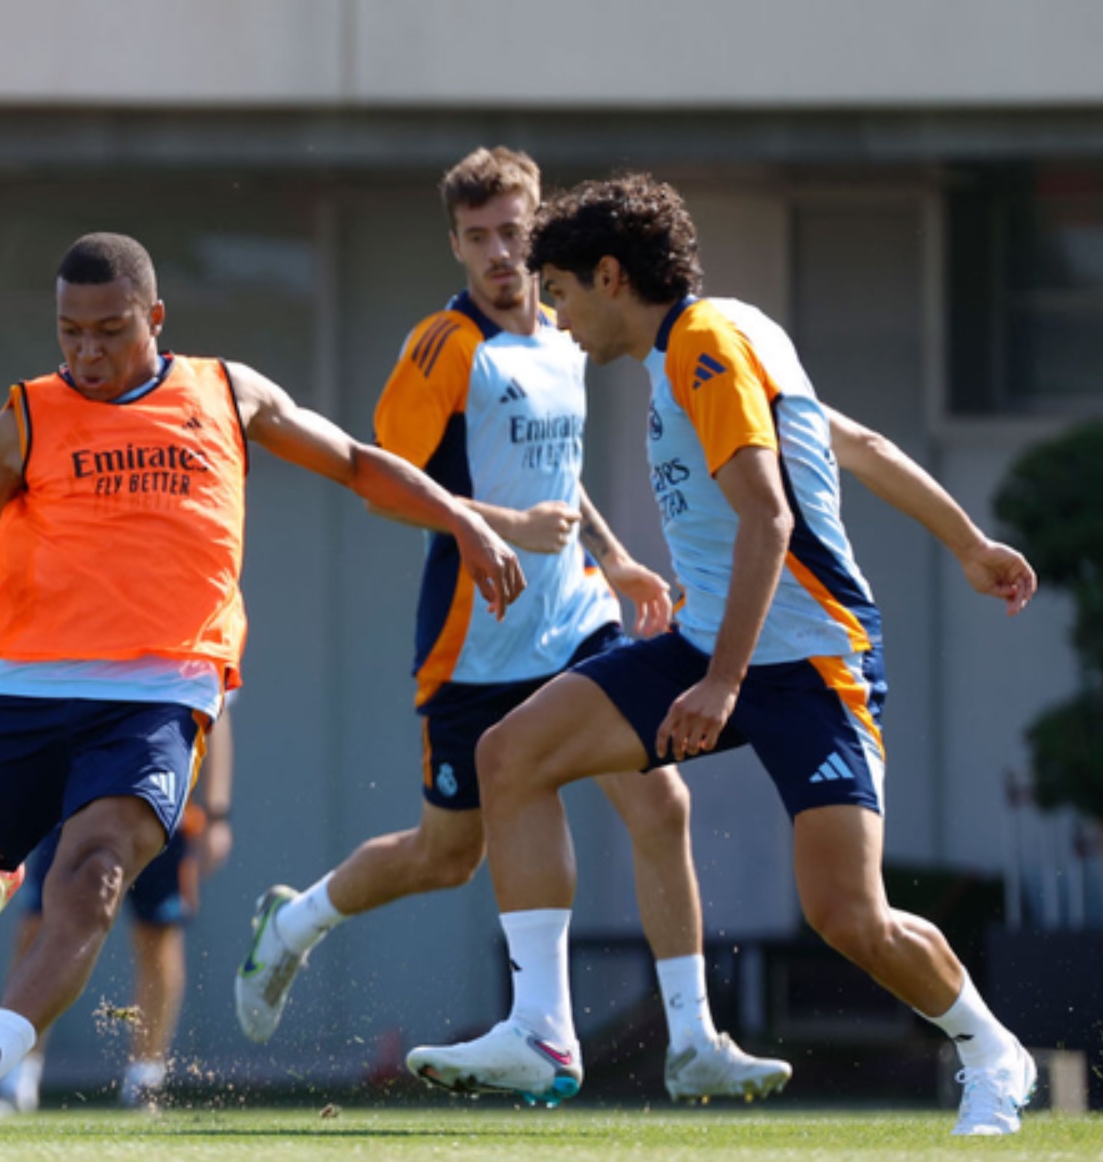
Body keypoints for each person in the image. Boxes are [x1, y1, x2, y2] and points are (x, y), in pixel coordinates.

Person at [0, 232, 524, 1129]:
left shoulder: (227, 393)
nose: (86, 352)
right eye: (69, 332)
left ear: (155, 319)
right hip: (28, 691)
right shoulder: (26, 420)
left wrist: (464, 522)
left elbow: (356, 463)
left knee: (94, 875)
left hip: (162, 691)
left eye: (110, 331)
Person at [407, 174, 1041, 1136]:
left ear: (611, 277)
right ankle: (540, 1030)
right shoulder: (715, 336)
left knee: (846, 917)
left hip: (812, 666)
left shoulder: (704, 345)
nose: (558, 316)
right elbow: (855, 443)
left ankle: (992, 1052)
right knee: (511, 753)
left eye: (566, 292)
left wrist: (722, 683)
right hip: (714, 643)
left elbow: (768, 516)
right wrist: (965, 542)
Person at [236, 146, 793, 1105]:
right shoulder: (443, 348)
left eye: (515, 233)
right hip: (474, 642)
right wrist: (505, 527)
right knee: (445, 856)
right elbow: (390, 490)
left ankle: (692, 1037)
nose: (502, 253)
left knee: (661, 800)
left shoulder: (565, 339)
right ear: (453, 242)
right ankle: (295, 924)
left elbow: (556, 476)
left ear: (538, 232)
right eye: (480, 236)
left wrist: (612, 556)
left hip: (575, 620)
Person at [0, 696, 234, 1116]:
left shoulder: (200, 637)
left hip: (164, 794)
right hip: (76, 795)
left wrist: (217, 814)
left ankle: (145, 1080)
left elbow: (217, 715)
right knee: (40, 925)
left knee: (158, 934)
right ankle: (16, 1078)